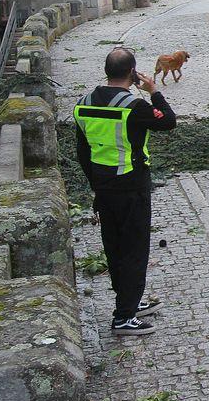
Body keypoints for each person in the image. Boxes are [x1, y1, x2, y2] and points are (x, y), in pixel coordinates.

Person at [75, 48, 177, 336]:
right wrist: (154, 92)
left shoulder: (83, 105)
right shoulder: (134, 106)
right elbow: (168, 122)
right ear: (132, 72)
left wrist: (96, 184)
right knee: (134, 250)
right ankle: (123, 318)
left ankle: (129, 302)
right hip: (132, 186)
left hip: (103, 188)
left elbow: (83, 152)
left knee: (115, 248)